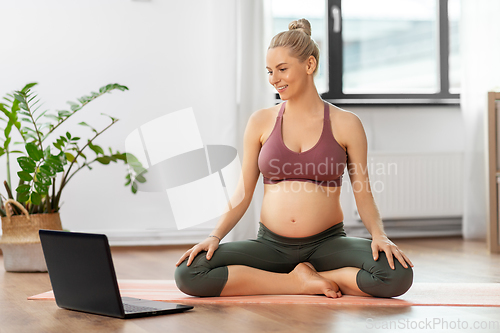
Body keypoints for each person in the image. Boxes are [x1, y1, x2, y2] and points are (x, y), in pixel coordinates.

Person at [175, 18, 413, 298]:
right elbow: (243, 191)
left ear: (309, 65)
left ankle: (318, 276)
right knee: (190, 272)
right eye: (269, 71)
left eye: (282, 69)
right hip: (270, 247)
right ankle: (296, 282)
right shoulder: (260, 121)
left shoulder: (346, 123)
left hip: (328, 245)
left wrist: (379, 235)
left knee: (397, 274)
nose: (274, 79)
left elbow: (363, 193)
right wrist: (215, 236)